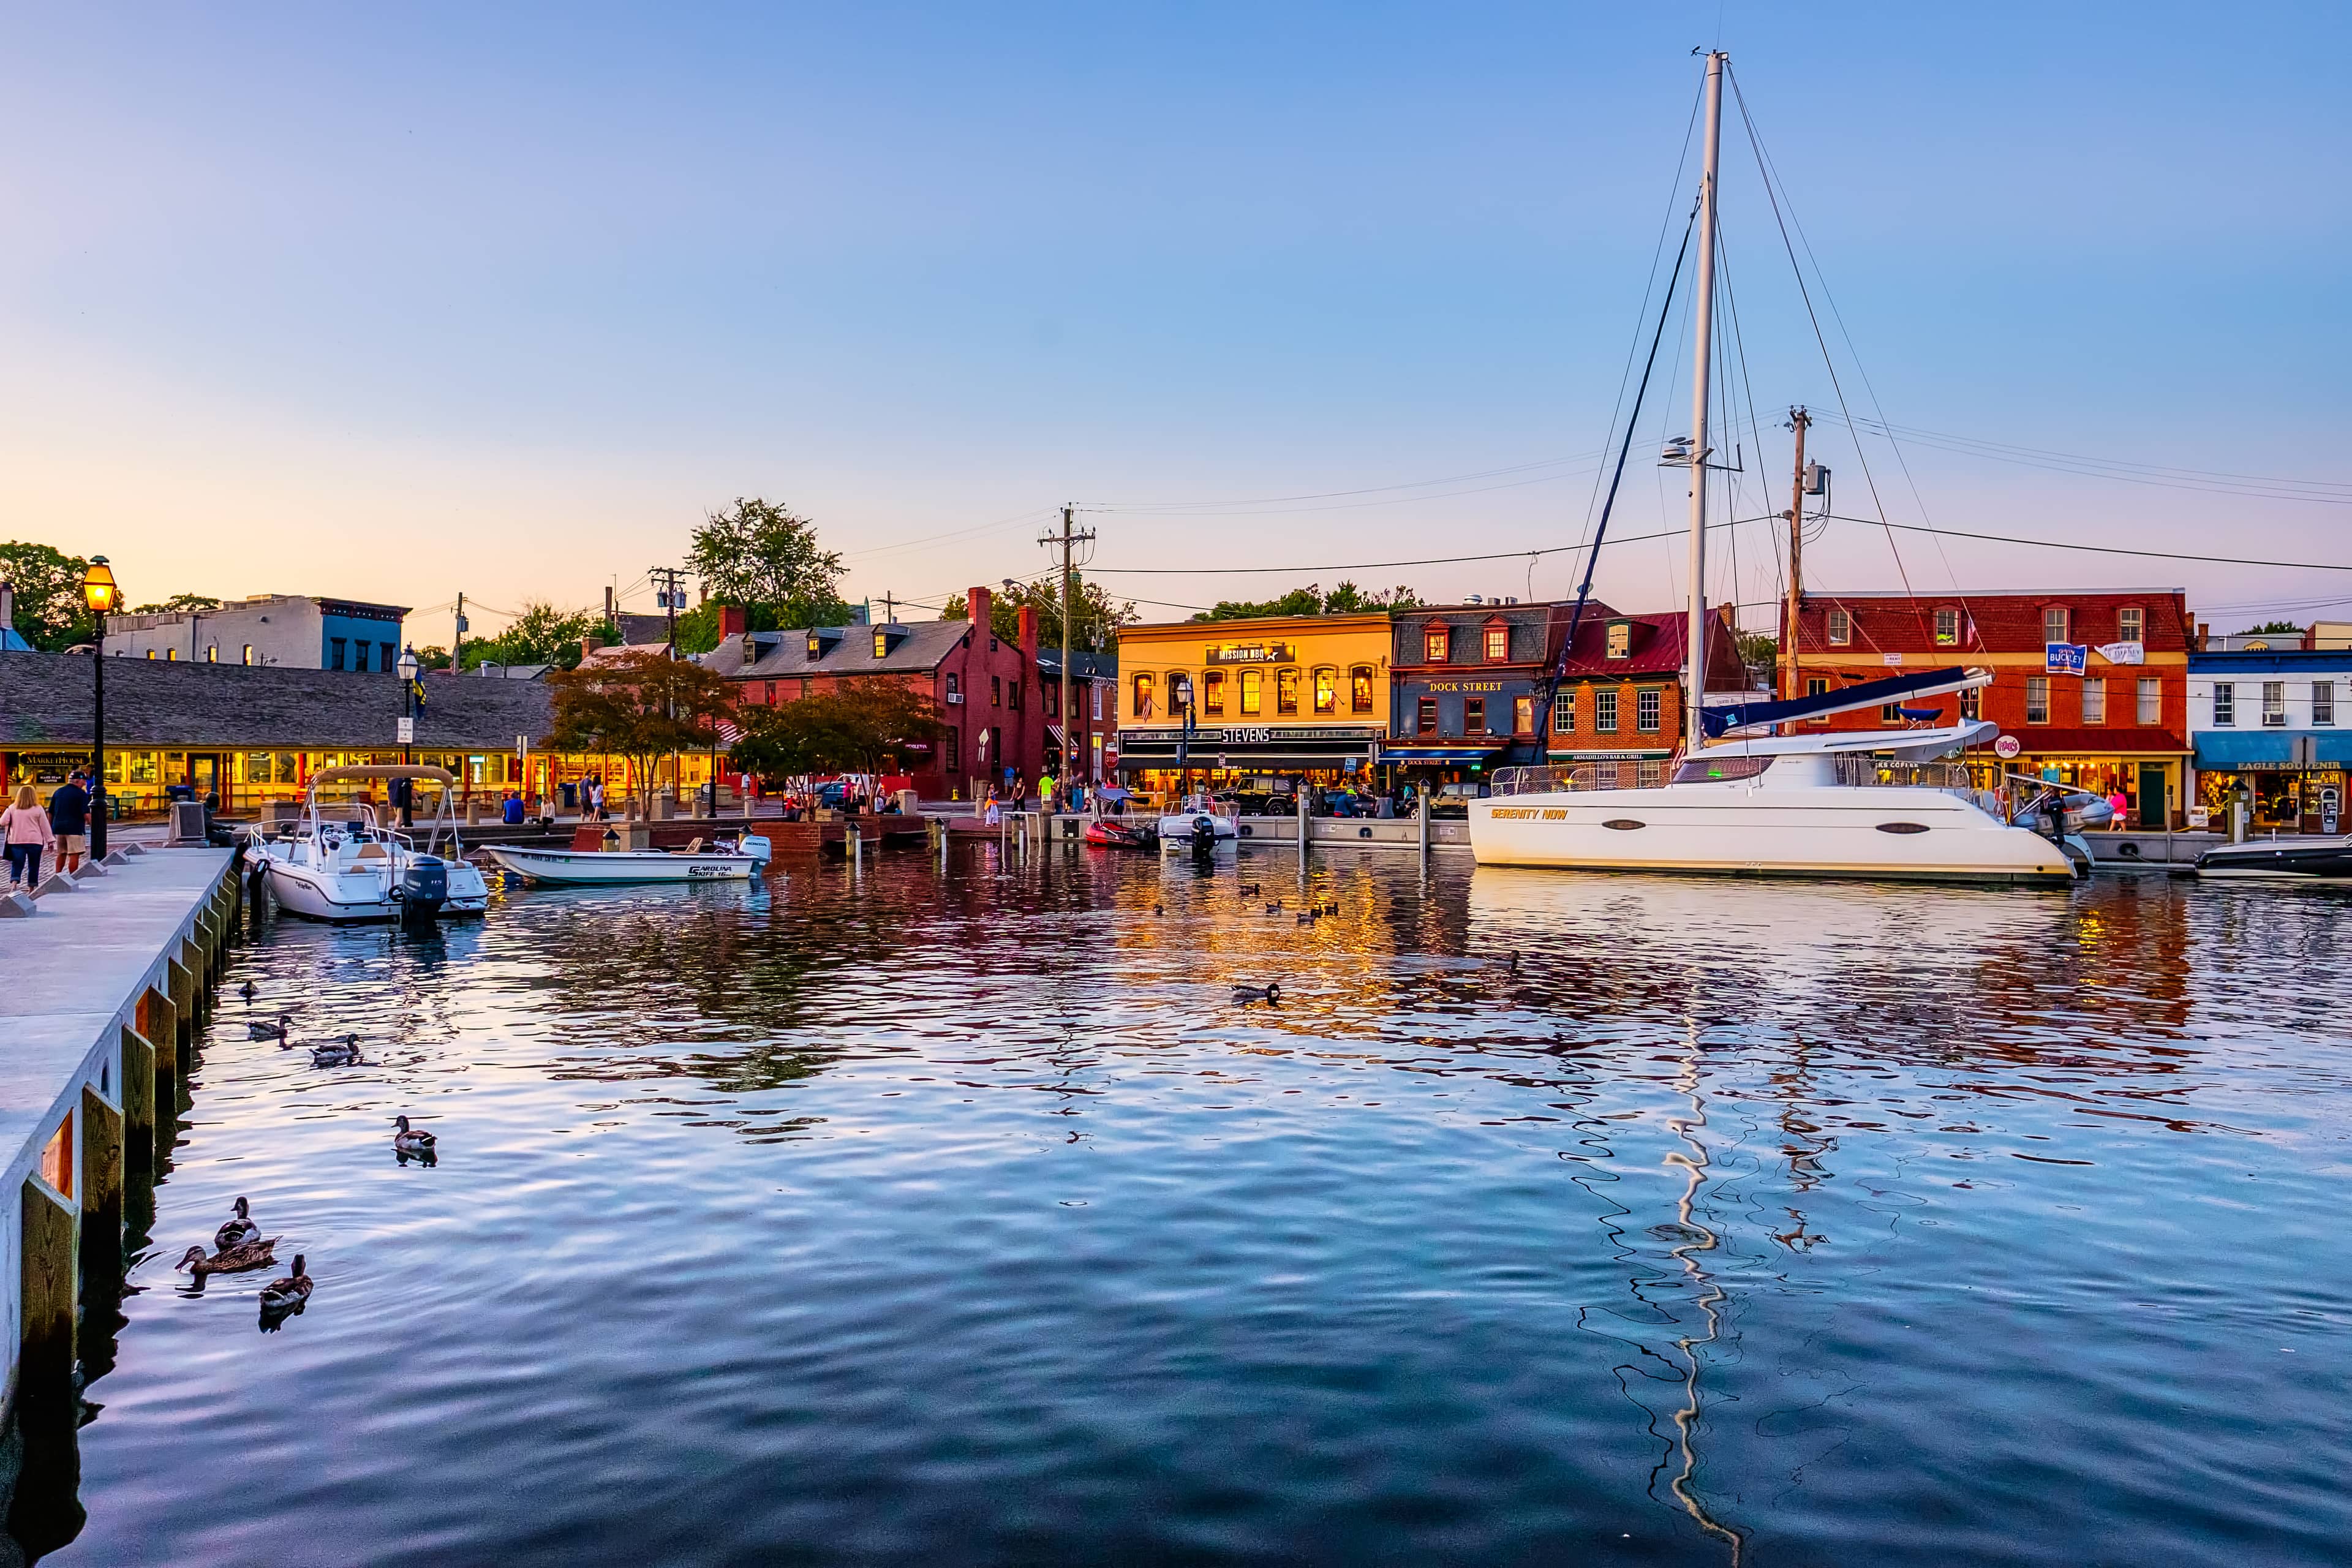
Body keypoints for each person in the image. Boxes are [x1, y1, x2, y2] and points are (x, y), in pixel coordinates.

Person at [4, 783, 56, 889]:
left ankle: (14, 882)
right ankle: (32, 887)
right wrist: (50, 840)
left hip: (16, 841)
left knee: (17, 863)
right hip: (35, 841)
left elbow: (3, 821)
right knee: (34, 865)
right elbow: (45, 826)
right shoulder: (38, 809)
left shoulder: (12, 808)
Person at [49, 770, 91, 874]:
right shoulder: (81, 794)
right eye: (83, 781)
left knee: (61, 853)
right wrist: (93, 824)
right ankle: (73, 877)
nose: (85, 784)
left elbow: (50, 812)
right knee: (74, 854)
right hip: (75, 828)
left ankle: (58, 874)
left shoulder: (58, 791)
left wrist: (50, 828)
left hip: (59, 828)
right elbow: (86, 813)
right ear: (77, 781)